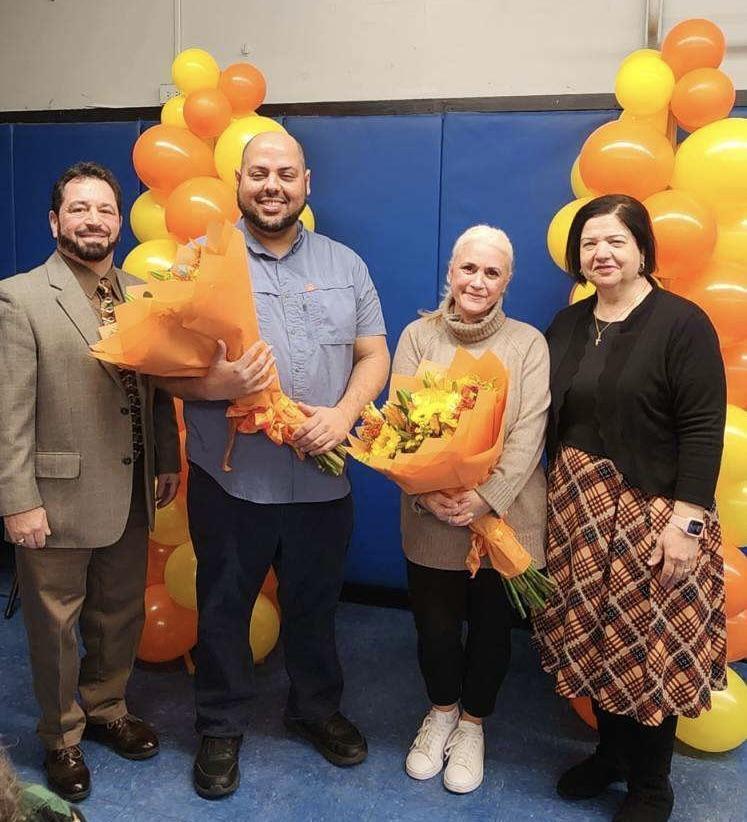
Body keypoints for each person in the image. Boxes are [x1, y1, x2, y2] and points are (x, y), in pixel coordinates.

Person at [157, 131, 390, 799]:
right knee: (223, 608)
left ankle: (313, 709)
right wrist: (218, 384)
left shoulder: (346, 264)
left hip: (323, 481)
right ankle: (220, 724)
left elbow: (373, 353)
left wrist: (344, 414)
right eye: (259, 173)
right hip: (231, 482)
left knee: (315, 606)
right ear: (238, 180)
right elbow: (165, 372)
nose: (272, 186)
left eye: (286, 174)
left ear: (306, 183)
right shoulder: (201, 262)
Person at [533, 194, 727, 822]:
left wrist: (687, 523)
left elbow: (704, 426)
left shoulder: (682, 322)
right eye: (590, 243)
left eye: (616, 240)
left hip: (654, 512)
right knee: (596, 636)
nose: (602, 253)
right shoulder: (567, 324)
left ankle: (651, 785)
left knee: (647, 643)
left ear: (643, 249)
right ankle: (611, 755)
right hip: (577, 510)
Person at [0, 163, 181, 802]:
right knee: (55, 625)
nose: (93, 220)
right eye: (79, 209)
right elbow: (9, 413)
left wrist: (166, 458)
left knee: (118, 612)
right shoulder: (19, 298)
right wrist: (17, 500)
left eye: (104, 209)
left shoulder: (141, 293)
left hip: (130, 490)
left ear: (119, 221)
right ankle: (61, 735)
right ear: (55, 221)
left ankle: (107, 708)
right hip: (54, 497)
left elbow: (155, 387)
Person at [391, 225, 550, 794]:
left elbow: (530, 432)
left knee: (491, 632)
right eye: (469, 269)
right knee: (435, 629)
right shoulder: (418, 336)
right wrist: (424, 490)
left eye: (491, 272)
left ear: (507, 281)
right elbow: (400, 423)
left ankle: (473, 725)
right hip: (431, 515)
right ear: (451, 272)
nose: (478, 281)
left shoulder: (528, 343)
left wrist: (487, 496)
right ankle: (440, 713)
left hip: (505, 517)